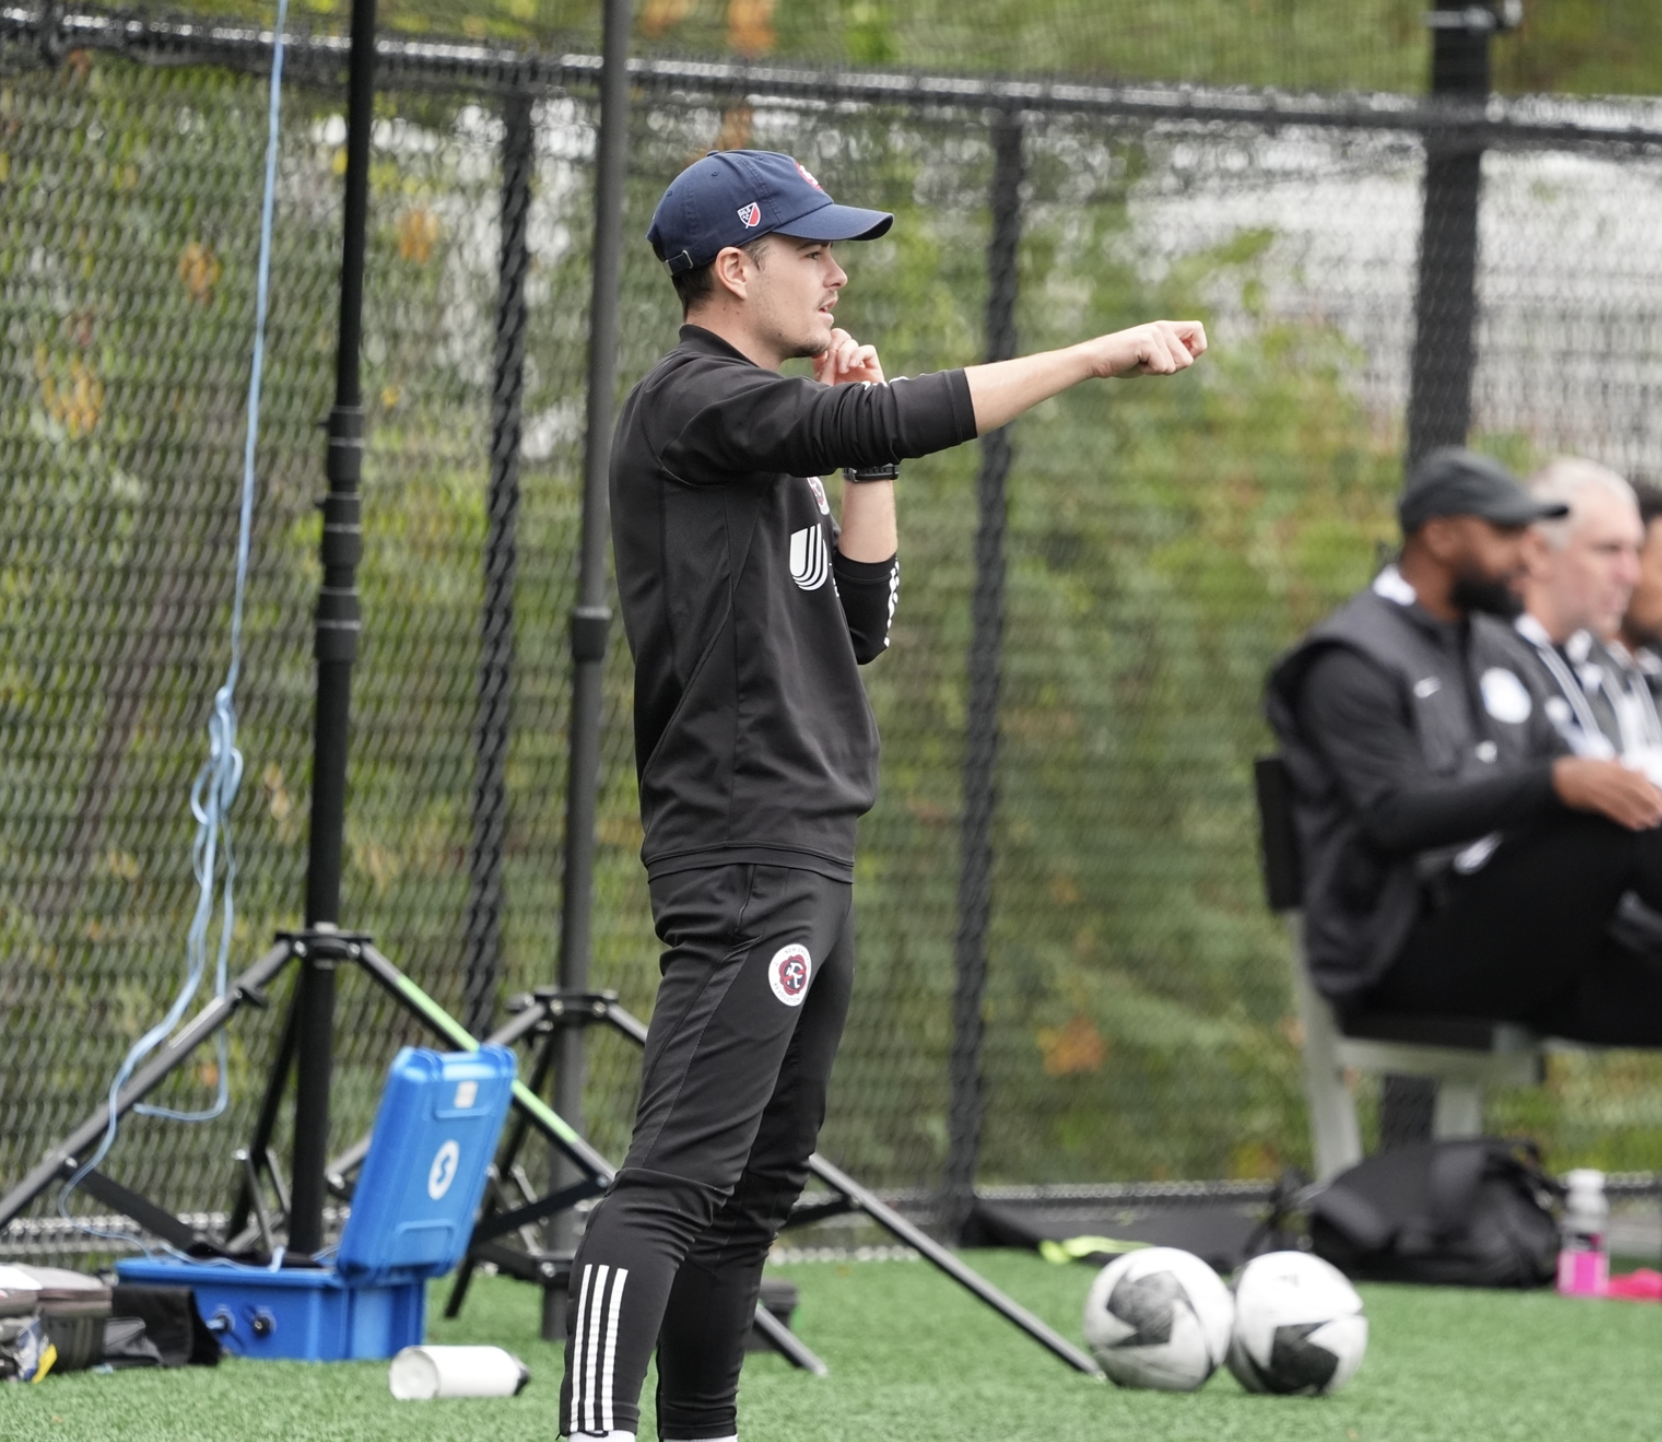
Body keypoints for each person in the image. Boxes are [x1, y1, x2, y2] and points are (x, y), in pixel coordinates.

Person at [562, 148, 1208, 1442]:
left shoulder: (756, 431)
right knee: (675, 1175)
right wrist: (1089, 355)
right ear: (733, 269)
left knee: (753, 1185)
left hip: (810, 846)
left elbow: (855, 624)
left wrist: (870, 478)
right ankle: (594, 1429)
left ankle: (701, 1427)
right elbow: (888, 412)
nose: (835, 270)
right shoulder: (691, 400)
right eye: (810, 250)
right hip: (745, 848)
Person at [1265, 446, 1662, 1046]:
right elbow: (1391, 817)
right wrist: (1554, 784)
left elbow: (1574, 766)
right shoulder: (1351, 661)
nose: (1529, 554)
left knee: (1626, 805)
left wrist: (1578, 779)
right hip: (1403, 957)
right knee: (1615, 824)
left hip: (1510, 937)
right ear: (1441, 537)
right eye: (1507, 533)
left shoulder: (1495, 647)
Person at [1498, 458, 1654, 767]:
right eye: (1609, 549)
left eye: (1634, 551)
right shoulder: (1488, 658)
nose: (1630, 575)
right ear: (1538, 552)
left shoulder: (1610, 665)